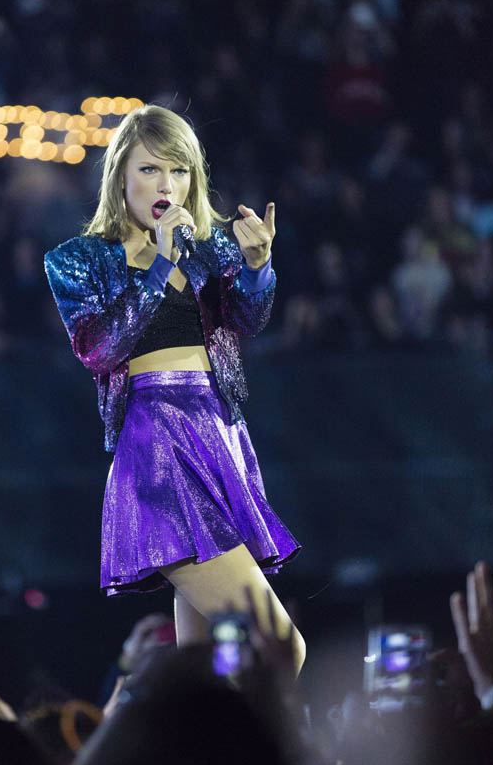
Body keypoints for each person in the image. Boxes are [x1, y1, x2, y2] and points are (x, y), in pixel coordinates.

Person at [45, 105, 305, 670]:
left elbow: (246, 320)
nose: (167, 185)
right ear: (120, 176)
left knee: (207, 667)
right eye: (150, 170)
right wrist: (160, 266)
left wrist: (258, 266)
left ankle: (196, 733)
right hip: (158, 446)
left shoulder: (211, 251)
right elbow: (99, 348)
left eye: (179, 171)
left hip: (220, 434)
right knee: (280, 648)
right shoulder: (79, 260)